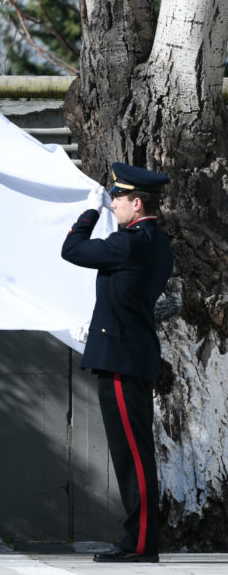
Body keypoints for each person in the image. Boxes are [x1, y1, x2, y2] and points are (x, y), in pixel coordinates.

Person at [62, 162, 173, 564]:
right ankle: (137, 539)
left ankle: (141, 543)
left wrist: (88, 213)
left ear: (137, 202)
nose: (112, 202)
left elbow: (71, 249)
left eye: (118, 197)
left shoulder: (130, 242)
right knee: (130, 453)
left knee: (134, 456)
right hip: (128, 353)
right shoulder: (154, 242)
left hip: (124, 358)